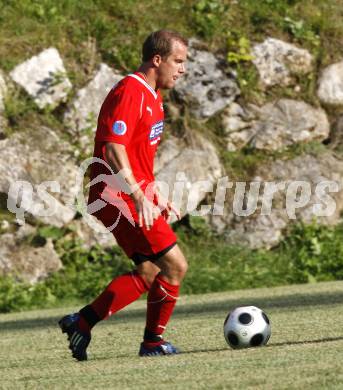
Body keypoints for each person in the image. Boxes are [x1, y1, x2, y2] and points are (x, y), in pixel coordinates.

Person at [59, 30, 188, 360]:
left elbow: (137, 155)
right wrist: (138, 196)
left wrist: (153, 193)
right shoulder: (131, 90)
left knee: (150, 272)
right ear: (156, 60)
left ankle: (82, 323)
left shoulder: (154, 96)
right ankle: (152, 343)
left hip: (129, 194)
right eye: (178, 61)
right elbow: (114, 147)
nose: (182, 69)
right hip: (117, 195)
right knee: (175, 265)